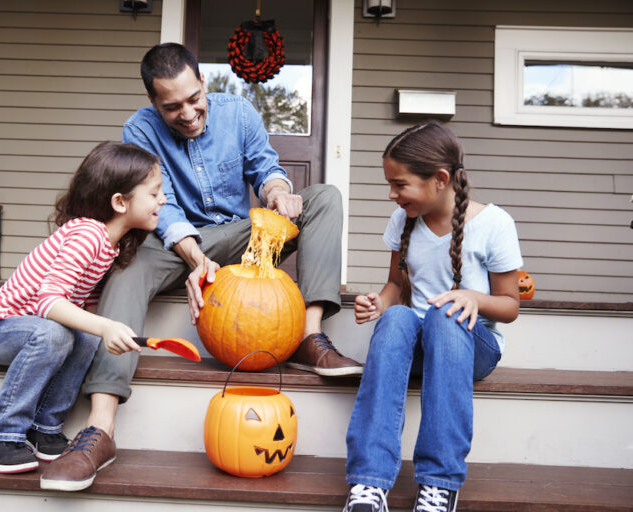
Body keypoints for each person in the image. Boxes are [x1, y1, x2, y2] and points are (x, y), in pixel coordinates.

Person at [41, 42, 361, 491]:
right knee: (126, 272)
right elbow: (163, 208)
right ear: (154, 103)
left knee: (325, 197)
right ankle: (101, 428)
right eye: (173, 107)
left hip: (240, 233)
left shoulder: (239, 113)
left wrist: (276, 193)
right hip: (174, 242)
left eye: (195, 100)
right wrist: (194, 256)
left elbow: (265, 168)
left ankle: (310, 337)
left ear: (204, 83)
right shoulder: (140, 130)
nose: (189, 114)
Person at [342, 122, 522, 512]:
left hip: (472, 344)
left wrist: (473, 297)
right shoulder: (402, 221)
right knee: (397, 319)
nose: (392, 195)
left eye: (400, 184)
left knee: (443, 313)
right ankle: (368, 485)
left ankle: (439, 484)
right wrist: (379, 302)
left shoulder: (494, 224)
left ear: (440, 179)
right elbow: (395, 285)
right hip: (420, 345)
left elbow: (510, 306)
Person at [0, 142, 165, 477]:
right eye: (154, 193)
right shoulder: (87, 234)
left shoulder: (110, 244)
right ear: (120, 202)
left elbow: (83, 304)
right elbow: (49, 301)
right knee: (56, 332)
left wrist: (103, 332)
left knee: (85, 337)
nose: (162, 200)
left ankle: (44, 428)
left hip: (38, 332)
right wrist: (105, 325)